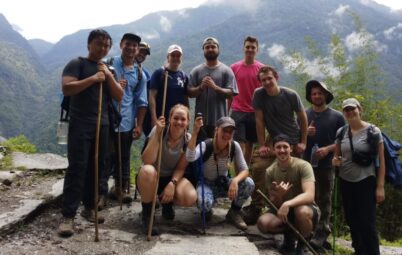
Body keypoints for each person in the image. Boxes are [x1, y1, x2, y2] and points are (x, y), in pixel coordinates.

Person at [58, 29, 124, 237]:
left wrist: (107, 76)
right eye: (99, 44)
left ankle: (89, 208)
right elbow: (67, 88)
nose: (103, 48)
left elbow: (119, 95)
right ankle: (68, 216)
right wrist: (93, 79)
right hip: (80, 123)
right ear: (89, 45)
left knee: (97, 168)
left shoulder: (108, 69)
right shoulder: (77, 64)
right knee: (77, 167)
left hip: (102, 124)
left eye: (106, 45)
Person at [242, 65, 308, 225]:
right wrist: (263, 144)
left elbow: (303, 118)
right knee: (259, 168)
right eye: (263, 80)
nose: (267, 82)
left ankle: (295, 213)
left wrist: (303, 142)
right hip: (273, 138)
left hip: (291, 138)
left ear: (276, 77)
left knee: (292, 175)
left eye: (269, 78)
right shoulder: (259, 95)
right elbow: (259, 120)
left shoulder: (290, 95)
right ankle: (257, 206)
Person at [332, 98, 385, 255]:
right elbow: (337, 156)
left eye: (352, 109)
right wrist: (335, 161)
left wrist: (380, 187)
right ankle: (359, 251)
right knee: (352, 221)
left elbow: (381, 161)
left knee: (367, 223)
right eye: (346, 110)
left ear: (359, 109)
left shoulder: (373, 132)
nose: (350, 112)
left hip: (366, 181)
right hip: (346, 181)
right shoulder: (341, 132)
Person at [101, 33, 148, 204]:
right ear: (121, 45)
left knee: (124, 156)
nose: (131, 48)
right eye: (128, 44)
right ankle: (101, 193)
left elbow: (142, 102)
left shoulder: (140, 73)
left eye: (135, 45)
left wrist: (139, 125)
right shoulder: (109, 64)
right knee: (105, 156)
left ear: (137, 49)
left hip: (127, 120)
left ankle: (121, 189)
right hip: (107, 118)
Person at [186, 116, 255, 230]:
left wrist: (235, 181)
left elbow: (245, 170)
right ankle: (207, 209)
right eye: (224, 130)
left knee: (249, 183)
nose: (227, 134)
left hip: (223, 183)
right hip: (206, 184)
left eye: (230, 131)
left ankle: (234, 212)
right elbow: (190, 157)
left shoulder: (234, 146)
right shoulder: (206, 145)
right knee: (205, 204)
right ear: (216, 130)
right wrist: (195, 133)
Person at [137, 104, 197, 235]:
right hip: (152, 178)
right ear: (170, 118)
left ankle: (167, 203)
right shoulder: (159, 130)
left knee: (190, 197)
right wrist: (157, 134)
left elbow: (181, 168)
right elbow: (147, 160)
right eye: (176, 118)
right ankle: (147, 216)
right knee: (148, 170)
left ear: (187, 122)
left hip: (170, 178)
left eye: (183, 119)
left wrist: (173, 183)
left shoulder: (188, 140)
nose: (179, 122)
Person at [257, 134, 320, 254]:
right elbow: (274, 203)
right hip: (283, 210)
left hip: (306, 208)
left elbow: (309, 195)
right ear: (274, 150)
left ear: (291, 148)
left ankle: (303, 243)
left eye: (285, 147)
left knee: (301, 212)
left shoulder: (303, 166)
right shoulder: (270, 171)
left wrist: (288, 203)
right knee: (263, 223)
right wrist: (280, 195)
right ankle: (289, 237)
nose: (282, 150)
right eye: (278, 147)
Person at [303, 80, 345, 250]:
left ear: (326, 95)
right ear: (310, 96)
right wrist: (305, 133)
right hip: (306, 164)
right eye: (314, 93)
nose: (317, 96)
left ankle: (321, 233)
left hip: (327, 164)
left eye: (320, 93)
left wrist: (328, 149)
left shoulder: (337, 116)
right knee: (307, 197)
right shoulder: (304, 114)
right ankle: (308, 229)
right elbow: (294, 139)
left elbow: (343, 141)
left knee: (325, 199)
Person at [187, 37, 238, 139]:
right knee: (201, 150)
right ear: (204, 50)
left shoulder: (226, 70)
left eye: (213, 47)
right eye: (207, 47)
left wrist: (215, 87)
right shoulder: (196, 71)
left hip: (220, 121)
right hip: (200, 121)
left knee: (218, 150)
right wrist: (201, 87)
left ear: (218, 49)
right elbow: (189, 92)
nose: (210, 49)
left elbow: (231, 93)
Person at [230, 36, 264, 165]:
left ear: (257, 50)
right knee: (239, 144)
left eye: (253, 47)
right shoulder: (234, 68)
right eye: (247, 47)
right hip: (238, 110)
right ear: (243, 48)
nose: (250, 49)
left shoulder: (261, 69)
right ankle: (238, 171)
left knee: (250, 144)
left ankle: (245, 173)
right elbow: (230, 91)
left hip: (255, 112)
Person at [149, 44, 189, 128]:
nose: (175, 58)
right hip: (162, 119)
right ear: (168, 57)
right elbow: (152, 96)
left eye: (178, 56)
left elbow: (185, 99)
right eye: (173, 55)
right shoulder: (160, 73)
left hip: (178, 121)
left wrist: (187, 119)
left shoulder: (183, 76)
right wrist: (154, 119)